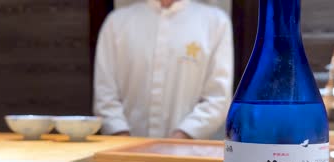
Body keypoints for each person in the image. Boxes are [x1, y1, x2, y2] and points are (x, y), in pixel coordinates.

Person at [93, 0, 233, 139]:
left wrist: (180, 138)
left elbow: (217, 98)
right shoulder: (116, 23)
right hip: (120, 154)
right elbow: (105, 94)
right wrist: (124, 140)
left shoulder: (216, 23)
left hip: (187, 154)